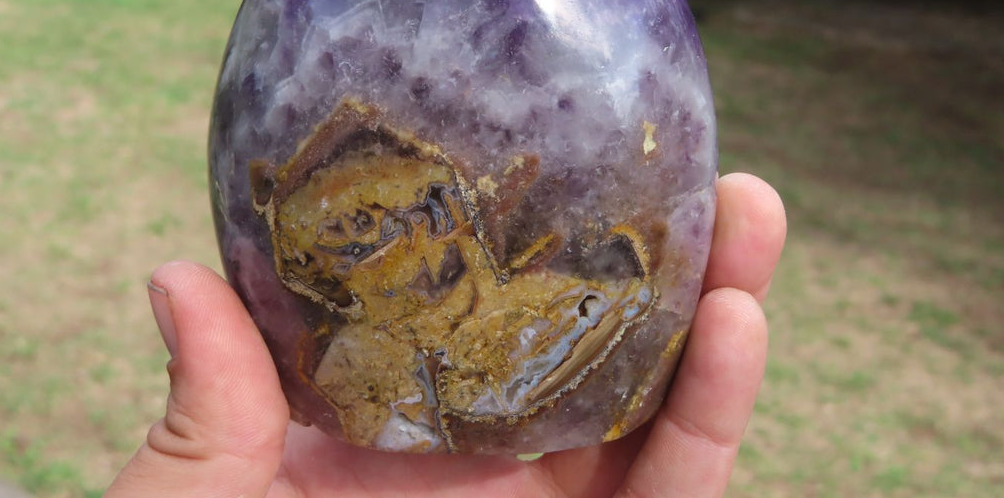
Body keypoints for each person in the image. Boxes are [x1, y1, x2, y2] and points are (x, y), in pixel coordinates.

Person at [105, 172, 785, 498]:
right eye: (315, 273)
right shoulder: (359, 371)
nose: (344, 293)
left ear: (442, 216)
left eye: (359, 247)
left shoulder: (599, 303)